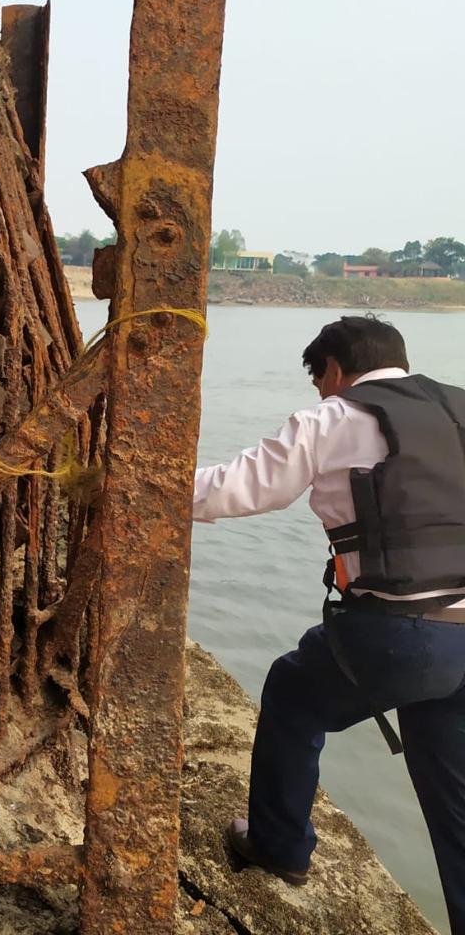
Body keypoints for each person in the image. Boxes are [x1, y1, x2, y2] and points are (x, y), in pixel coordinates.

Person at [193, 315, 465, 934]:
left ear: (334, 370)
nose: (320, 392)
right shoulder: (459, 410)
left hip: (401, 634)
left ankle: (281, 847)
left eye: (320, 379)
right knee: (455, 801)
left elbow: (241, 489)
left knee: (293, 692)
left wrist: (145, 486)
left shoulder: (335, 417)